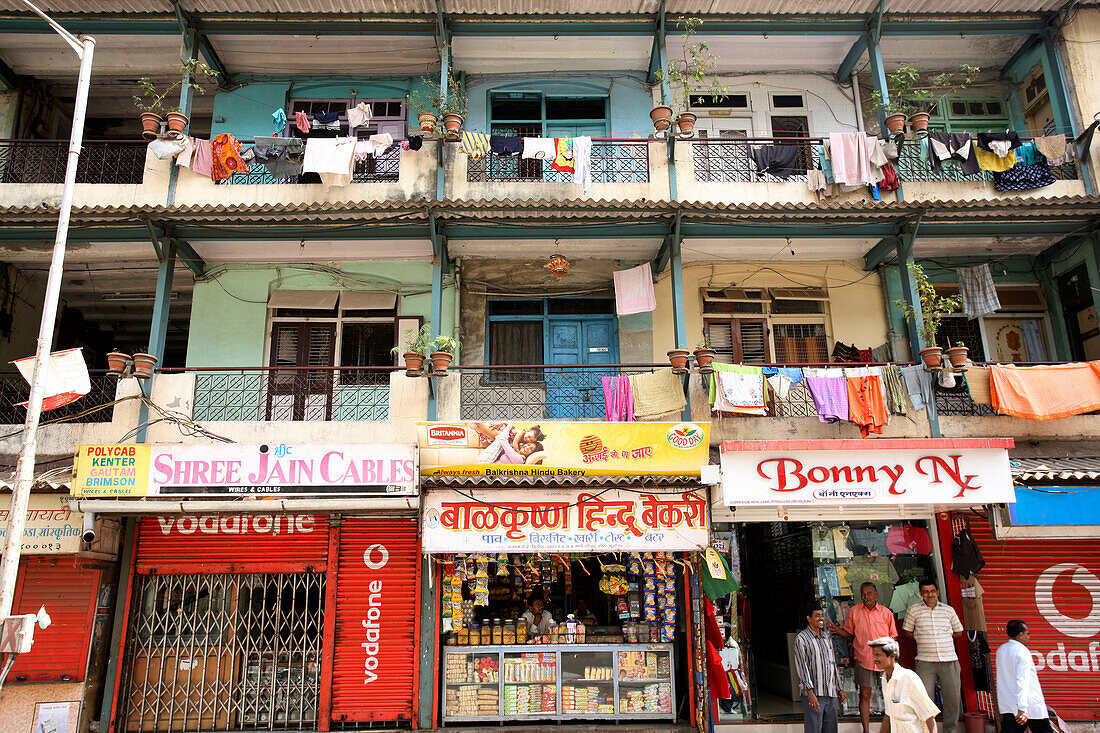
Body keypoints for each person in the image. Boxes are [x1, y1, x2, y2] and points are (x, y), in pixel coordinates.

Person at [828, 582, 898, 733]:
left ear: (876, 594)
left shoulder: (886, 613)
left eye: (869, 594)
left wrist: (893, 662)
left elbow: (893, 638)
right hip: (864, 659)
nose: (866, 597)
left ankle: (892, 728)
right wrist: (835, 629)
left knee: (890, 695)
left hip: (885, 662)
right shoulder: (854, 611)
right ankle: (866, 730)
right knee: (864, 695)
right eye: (863, 594)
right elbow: (848, 633)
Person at [902, 580, 964, 733]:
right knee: (925, 700)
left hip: (949, 660)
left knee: (952, 699)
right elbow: (907, 631)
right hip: (925, 661)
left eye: (932, 591)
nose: (930, 595)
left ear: (937, 592)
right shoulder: (914, 610)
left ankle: (950, 730)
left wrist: (943, 638)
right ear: (921, 593)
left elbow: (959, 632)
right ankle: (929, 730)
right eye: (926, 592)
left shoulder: (948, 610)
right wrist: (923, 638)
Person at [869, 636, 940, 733]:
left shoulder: (908, 678)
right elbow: (889, 715)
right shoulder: (885, 679)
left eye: (878, 655)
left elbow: (929, 716)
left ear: (892, 656)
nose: (874, 659)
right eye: (874, 655)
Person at [795, 604, 847, 733]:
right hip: (814, 694)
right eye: (817, 616)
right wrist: (810, 692)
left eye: (822, 615)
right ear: (809, 618)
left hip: (830, 693)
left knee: (831, 729)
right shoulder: (801, 639)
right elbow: (802, 667)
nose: (821, 618)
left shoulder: (827, 637)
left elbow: (832, 664)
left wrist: (839, 688)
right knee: (814, 729)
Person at [995, 620, 1052, 733]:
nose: (1029, 637)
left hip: (1009, 707)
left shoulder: (1001, 650)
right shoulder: (1022, 651)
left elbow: (1002, 680)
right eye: (1027, 633)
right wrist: (1023, 708)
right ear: (1020, 634)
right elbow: (1022, 680)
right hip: (1028, 707)